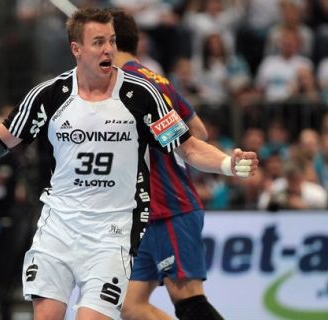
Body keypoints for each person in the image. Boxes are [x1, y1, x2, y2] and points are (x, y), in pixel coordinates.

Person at [0, 8, 258, 320]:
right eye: (97, 42)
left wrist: (230, 163)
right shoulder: (50, 95)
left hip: (112, 235)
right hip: (58, 228)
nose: (107, 49)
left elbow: (189, 148)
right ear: (76, 49)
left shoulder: (141, 95)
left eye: (110, 41)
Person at [111, 9, 225, 319]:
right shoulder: (156, 78)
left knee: (188, 299)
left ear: (109, 42)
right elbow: (198, 131)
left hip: (168, 204)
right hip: (148, 212)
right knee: (130, 307)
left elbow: (191, 142)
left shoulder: (129, 83)